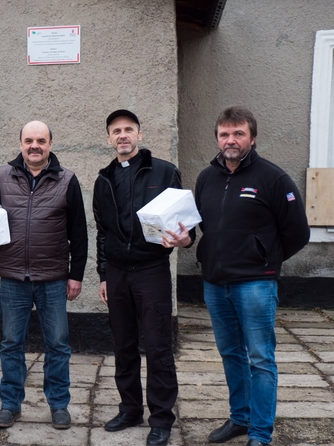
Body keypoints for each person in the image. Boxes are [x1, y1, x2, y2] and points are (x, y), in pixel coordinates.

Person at [0, 120, 88, 430]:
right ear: (20, 144)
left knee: (57, 344)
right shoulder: (3, 176)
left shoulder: (67, 180)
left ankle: (59, 405)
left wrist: (76, 275)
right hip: (13, 278)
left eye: (41, 140)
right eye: (29, 140)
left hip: (54, 278)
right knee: (11, 344)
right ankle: (10, 405)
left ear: (50, 145)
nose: (35, 146)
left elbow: (79, 233)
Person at [195, 106, 310, 446]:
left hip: (256, 284)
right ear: (217, 138)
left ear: (252, 138)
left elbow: (298, 233)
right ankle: (240, 419)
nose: (231, 140)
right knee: (231, 353)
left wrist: (265, 261)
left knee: (260, 358)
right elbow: (204, 226)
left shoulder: (273, 178)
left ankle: (260, 433)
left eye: (238, 133)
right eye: (224, 134)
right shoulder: (207, 178)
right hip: (215, 284)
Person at [92, 109, 194, 446]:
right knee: (123, 345)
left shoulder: (164, 172)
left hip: (152, 271)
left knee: (158, 346)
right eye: (116, 131)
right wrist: (104, 275)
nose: (122, 135)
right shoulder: (103, 179)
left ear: (139, 134)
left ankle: (162, 418)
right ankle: (130, 408)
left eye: (128, 130)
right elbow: (103, 233)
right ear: (109, 138)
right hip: (118, 274)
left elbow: (185, 223)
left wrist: (185, 238)